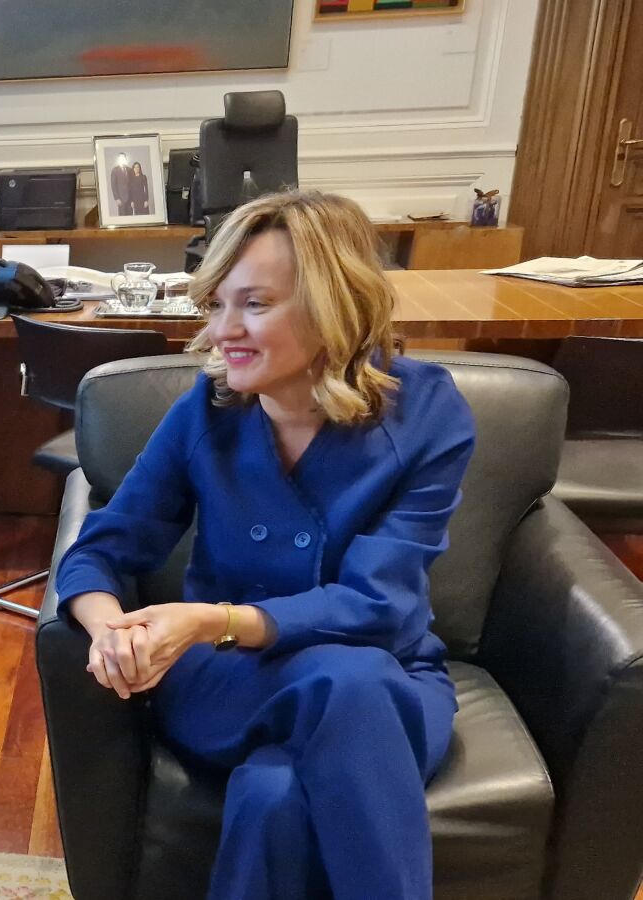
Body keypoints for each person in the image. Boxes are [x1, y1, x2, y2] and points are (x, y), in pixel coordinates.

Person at [54, 190, 473, 900]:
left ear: (334, 305)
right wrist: (110, 632)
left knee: (274, 790)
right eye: (217, 304)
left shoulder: (427, 412)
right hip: (228, 682)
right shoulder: (206, 411)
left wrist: (213, 619)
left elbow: (378, 605)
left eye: (254, 304)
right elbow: (102, 549)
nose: (222, 331)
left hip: (392, 680)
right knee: (348, 684)